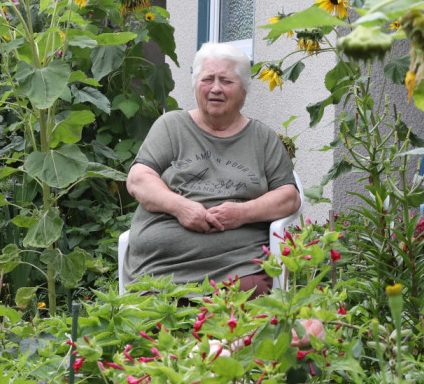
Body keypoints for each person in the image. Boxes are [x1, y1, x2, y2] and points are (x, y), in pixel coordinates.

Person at [123, 42, 300, 295]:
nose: (215, 88)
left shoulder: (263, 138)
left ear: (244, 92)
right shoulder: (171, 127)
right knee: (154, 325)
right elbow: (138, 179)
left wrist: (242, 213)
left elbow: (288, 197)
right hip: (160, 269)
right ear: (196, 85)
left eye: (226, 81)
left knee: (246, 312)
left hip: (238, 267)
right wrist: (181, 207)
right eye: (207, 79)